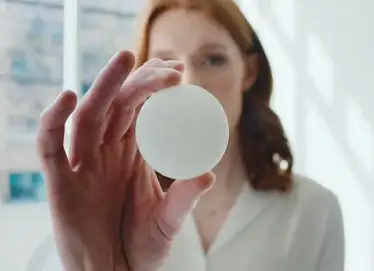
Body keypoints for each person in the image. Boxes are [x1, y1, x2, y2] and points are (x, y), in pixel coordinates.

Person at [34, 0, 345, 270]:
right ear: (147, 81)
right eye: (168, 64)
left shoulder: (315, 210)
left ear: (249, 72)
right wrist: (94, 266)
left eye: (213, 59)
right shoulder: (109, 209)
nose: (191, 83)